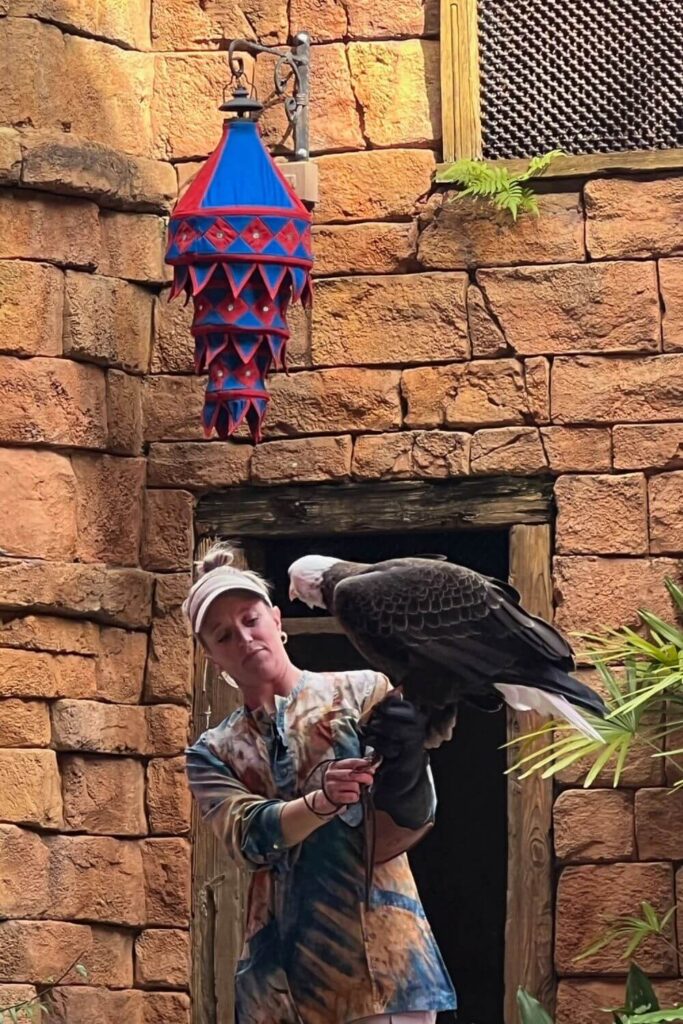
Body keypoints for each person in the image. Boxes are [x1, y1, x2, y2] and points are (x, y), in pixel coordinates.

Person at [184, 544, 457, 1024]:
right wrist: (322, 800)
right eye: (224, 636)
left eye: (251, 620)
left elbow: (411, 819)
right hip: (276, 985)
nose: (245, 639)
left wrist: (409, 756)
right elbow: (248, 837)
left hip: (383, 967)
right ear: (211, 659)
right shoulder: (213, 751)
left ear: (277, 619)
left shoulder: (363, 691)